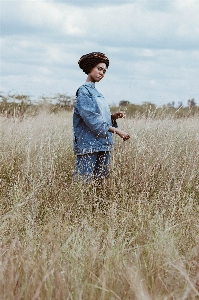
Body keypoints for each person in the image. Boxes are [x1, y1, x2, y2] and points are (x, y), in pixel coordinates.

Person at [73, 52, 130, 181]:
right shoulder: (84, 91)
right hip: (88, 145)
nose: (102, 73)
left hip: (103, 144)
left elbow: (101, 118)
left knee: (100, 184)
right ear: (90, 68)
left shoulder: (97, 93)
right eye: (99, 69)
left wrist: (113, 117)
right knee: (84, 183)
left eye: (104, 71)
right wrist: (117, 131)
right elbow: (92, 119)